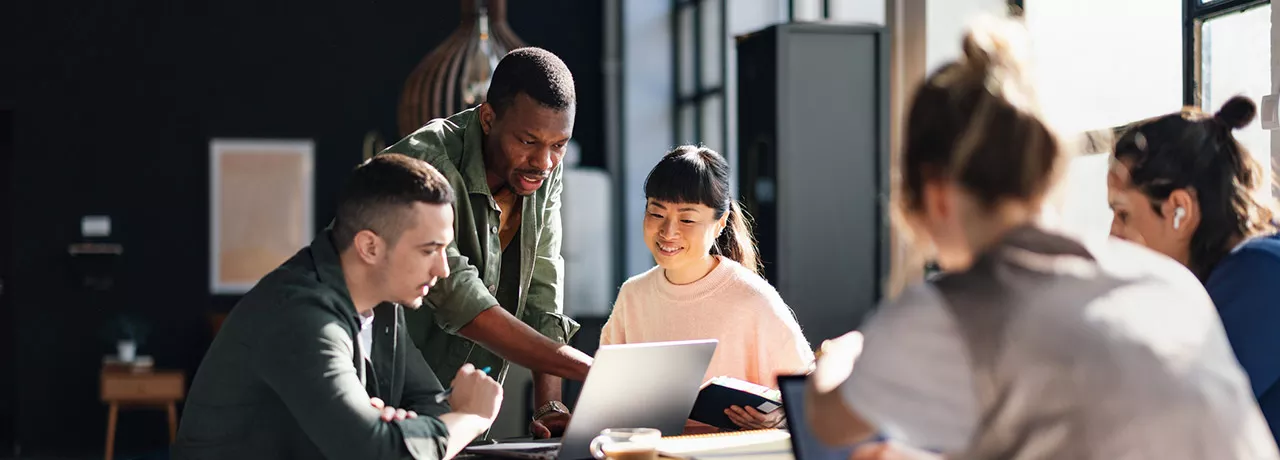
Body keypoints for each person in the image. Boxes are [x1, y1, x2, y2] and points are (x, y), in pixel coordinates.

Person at [805, 18, 1278, 459]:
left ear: (936, 195)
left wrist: (844, 354)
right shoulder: (1169, 284)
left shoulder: (950, 310)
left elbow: (827, 421)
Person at [173, 154, 503, 460]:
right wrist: (471, 417)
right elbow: (377, 453)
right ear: (370, 247)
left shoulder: (384, 306)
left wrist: (394, 432)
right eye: (429, 250)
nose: (443, 269)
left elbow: (432, 403)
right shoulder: (301, 316)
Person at [382, 47, 593, 438]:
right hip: (381, 404)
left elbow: (542, 291)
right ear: (488, 117)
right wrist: (594, 372)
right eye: (528, 141)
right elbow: (460, 299)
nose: (544, 162)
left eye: (559, 145)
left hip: (463, 418)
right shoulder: (424, 164)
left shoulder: (541, 172)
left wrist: (550, 405)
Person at [600, 146, 814, 431]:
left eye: (687, 219)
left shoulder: (752, 299)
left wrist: (780, 416)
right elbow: (605, 395)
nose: (668, 231)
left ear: (720, 223)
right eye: (656, 213)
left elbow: (808, 393)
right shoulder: (633, 295)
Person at [1107, 95, 1280, 444]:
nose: (1112, 237)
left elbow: (1158, 429)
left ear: (1179, 210)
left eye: (1123, 214)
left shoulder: (1259, 275)